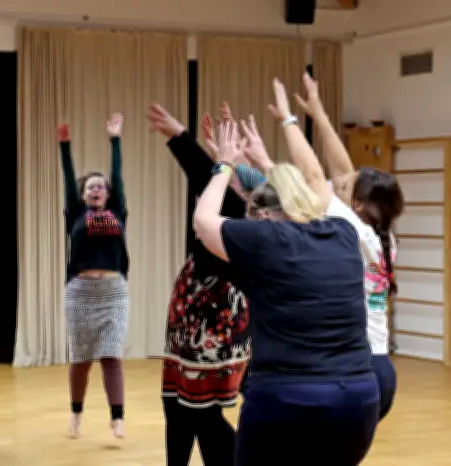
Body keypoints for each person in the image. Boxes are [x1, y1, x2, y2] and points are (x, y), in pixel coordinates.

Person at [193, 98, 379, 465]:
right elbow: (289, 200)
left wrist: (224, 165)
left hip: (288, 399)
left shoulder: (264, 240)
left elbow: (204, 221)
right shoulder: (342, 232)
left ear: (264, 215)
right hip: (358, 400)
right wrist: (261, 164)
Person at [147, 103, 258, 466]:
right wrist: (220, 157)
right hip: (192, 330)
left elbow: (212, 184)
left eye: (230, 173)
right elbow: (212, 182)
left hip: (212, 331)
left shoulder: (236, 224)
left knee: (199, 415)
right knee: (180, 408)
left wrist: (182, 138)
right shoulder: (232, 211)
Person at [288, 72, 403, 420]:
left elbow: (312, 175)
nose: (337, 182)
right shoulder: (382, 237)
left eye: (344, 187)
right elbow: (343, 171)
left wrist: (289, 120)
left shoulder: (351, 229)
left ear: (356, 204)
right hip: (381, 367)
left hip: (357, 369)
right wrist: (319, 113)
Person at [56, 113, 129, 439]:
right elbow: (68, 177)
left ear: (108, 195)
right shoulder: (75, 212)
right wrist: (64, 146)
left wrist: (115, 139)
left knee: (111, 356)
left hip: (113, 292)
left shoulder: (117, 212)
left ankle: (117, 418)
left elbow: (118, 175)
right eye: (90, 187)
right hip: (81, 292)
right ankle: (75, 414)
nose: (97, 189)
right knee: (82, 358)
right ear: (83, 194)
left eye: (101, 186)